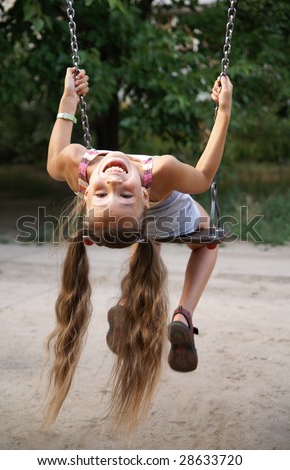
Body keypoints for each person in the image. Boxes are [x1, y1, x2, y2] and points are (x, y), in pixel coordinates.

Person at [44, 67, 233, 435]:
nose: (113, 181)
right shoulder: (160, 171)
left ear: (84, 193)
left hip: (128, 222)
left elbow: (53, 158)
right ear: (143, 196)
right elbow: (203, 177)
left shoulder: (76, 164)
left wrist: (69, 98)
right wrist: (223, 110)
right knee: (207, 239)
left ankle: (131, 303)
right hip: (158, 212)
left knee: (139, 234)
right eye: (121, 191)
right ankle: (183, 314)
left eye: (103, 192)